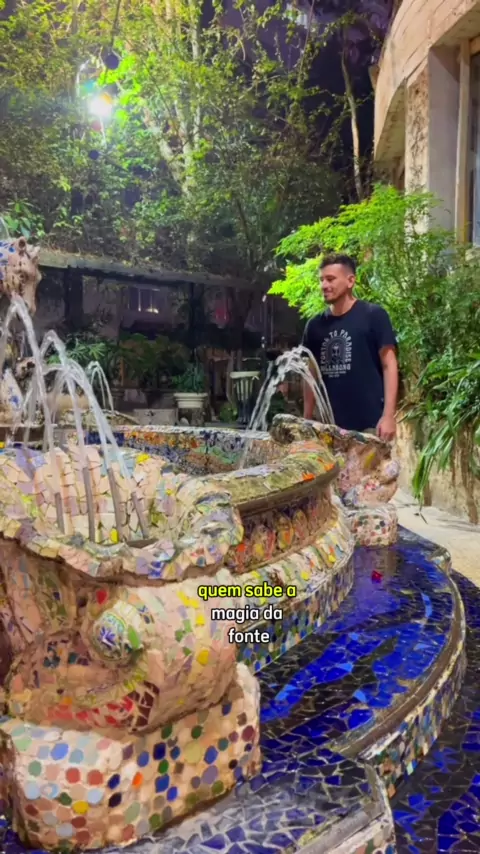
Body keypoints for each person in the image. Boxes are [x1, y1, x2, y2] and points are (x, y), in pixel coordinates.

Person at [302, 253, 398, 440]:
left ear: (350, 281)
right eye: (321, 280)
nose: (324, 285)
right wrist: (306, 418)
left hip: (369, 426)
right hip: (327, 428)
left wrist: (388, 416)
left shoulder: (373, 315)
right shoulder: (314, 326)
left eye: (330, 279)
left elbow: (389, 365)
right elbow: (310, 374)